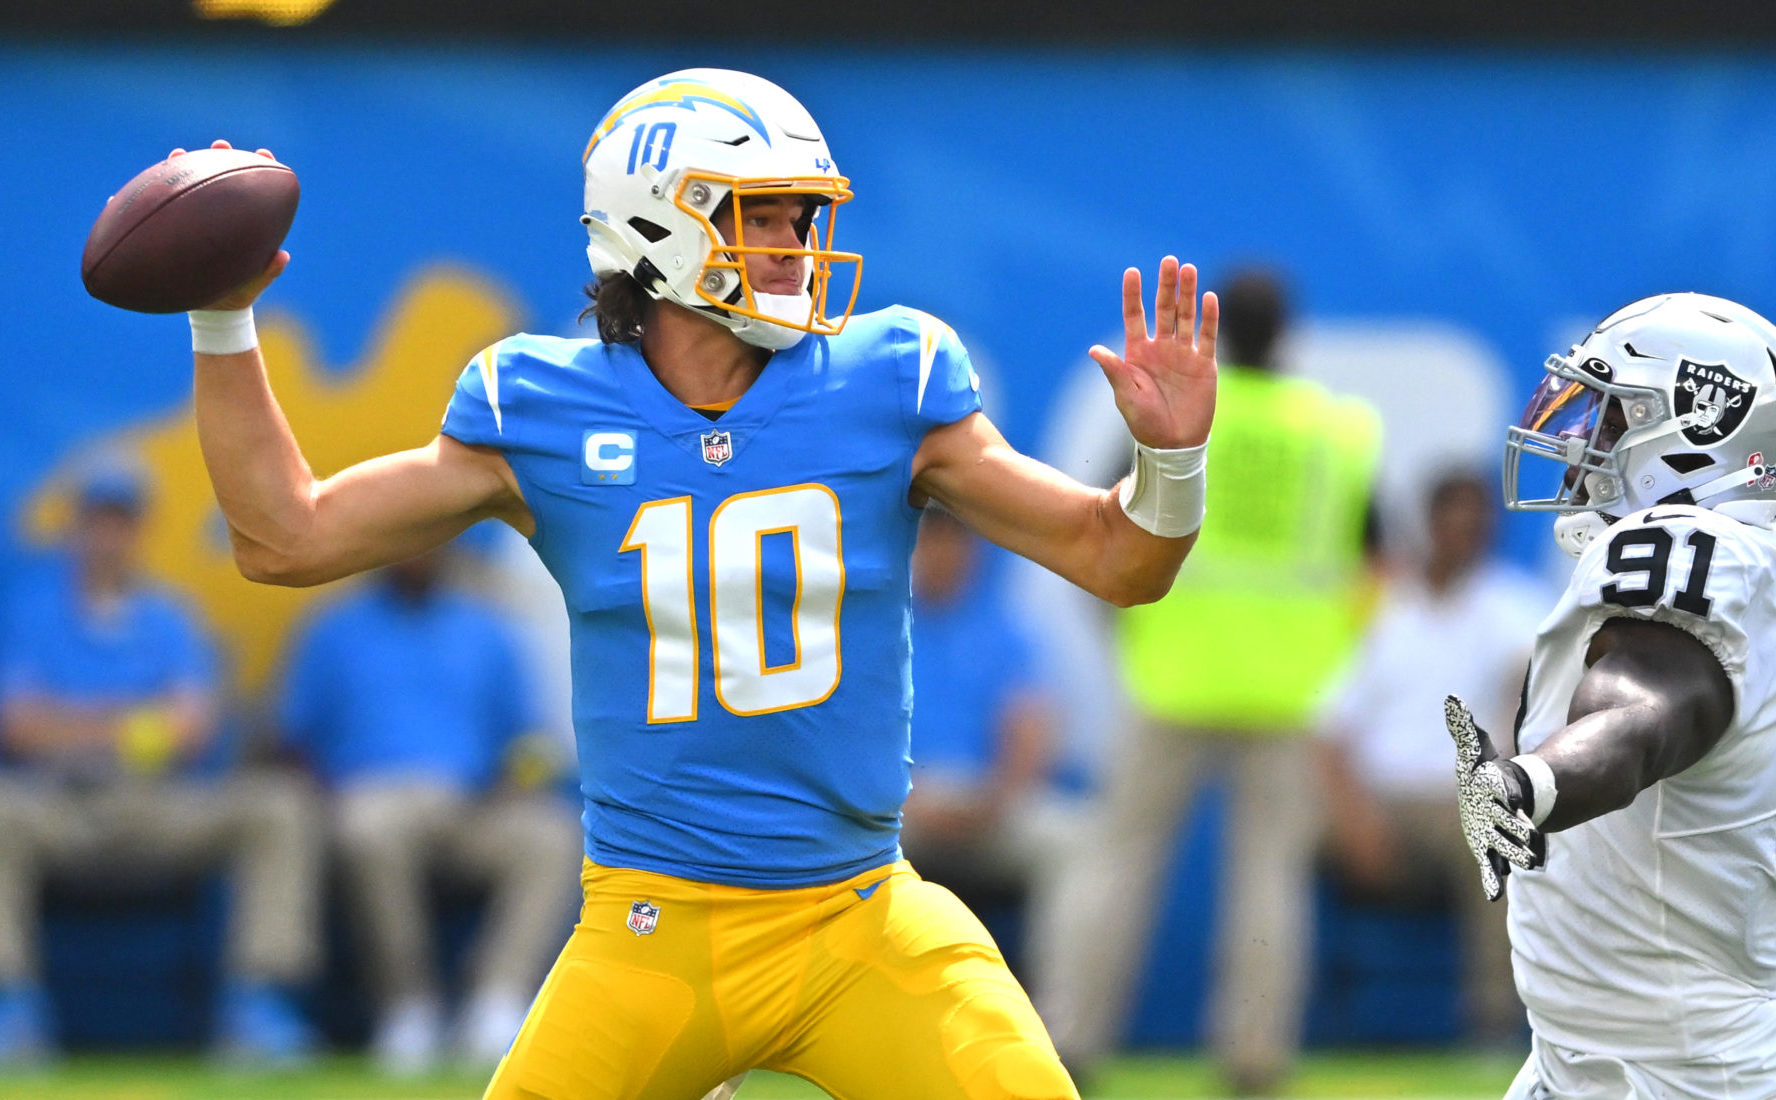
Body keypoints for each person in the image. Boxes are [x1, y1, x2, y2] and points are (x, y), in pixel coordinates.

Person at [177, 66, 1216, 1100]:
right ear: (652, 227)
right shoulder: (536, 404)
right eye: (761, 216)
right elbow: (286, 539)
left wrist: (1168, 462)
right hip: (649, 930)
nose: (795, 248)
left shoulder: (886, 380)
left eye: (802, 218)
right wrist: (222, 320)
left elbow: (1115, 560)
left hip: (855, 914)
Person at [1449, 293, 1776, 1100]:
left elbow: (1639, 714)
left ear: (1703, 429)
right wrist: (1738, 995)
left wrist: (1523, 785)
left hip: (1655, 1077)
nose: (1584, 440)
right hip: (1752, 1054)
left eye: (1614, 418)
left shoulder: (1688, 561)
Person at [1042, 268, 1380, 1096]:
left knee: (1116, 860)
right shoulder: (1333, 432)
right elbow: (1376, 567)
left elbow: (1113, 530)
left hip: (1171, 673)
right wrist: (1333, 648)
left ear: (1225, 332)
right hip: (1288, 685)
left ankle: (1072, 1043)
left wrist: (1125, 631)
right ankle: (1255, 1057)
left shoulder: (1186, 413)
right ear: (1289, 332)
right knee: (1271, 877)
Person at [0, 460, 322, 1066]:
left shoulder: (169, 616)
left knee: (276, 806)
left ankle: (257, 1007)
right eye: (97, 520)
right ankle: (11, 1012)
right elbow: (19, 728)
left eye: (120, 521)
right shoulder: (33, 612)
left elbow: (194, 729)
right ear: (76, 528)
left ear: (140, 529)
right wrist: (136, 723)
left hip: (157, 807)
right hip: (61, 809)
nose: (107, 535)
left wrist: (75, 723)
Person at [278, 547, 581, 1074]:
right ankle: (407, 1008)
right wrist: (324, 792)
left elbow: (530, 742)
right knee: (367, 830)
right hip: (373, 797)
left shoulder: (489, 629)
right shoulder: (335, 628)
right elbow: (291, 739)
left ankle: (496, 1002)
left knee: (552, 835)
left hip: (470, 804)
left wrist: (514, 782)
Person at [1318, 469, 1550, 1046]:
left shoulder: (1516, 607)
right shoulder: (1383, 609)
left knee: (1494, 839)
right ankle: (1277, 1028)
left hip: (1461, 800)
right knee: (1275, 840)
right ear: (1428, 524)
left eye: (1476, 521)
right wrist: (1355, 818)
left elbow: (1527, 698)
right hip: (1376, 800)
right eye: (1452, 518)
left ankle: (1491, 1028)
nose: (1464, 533)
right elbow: (1329, 729)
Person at [902, 506, 1064, 961]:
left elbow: (1030, 727)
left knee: (1072, 847)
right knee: (844, 845)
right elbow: (850, 741)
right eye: (932, 541)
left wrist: (999, 799)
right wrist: (906, 802)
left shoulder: (1005, 630)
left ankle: (1059, 1022)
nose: (945, 554)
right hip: (898, 805)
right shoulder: (879, 627)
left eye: (956, 541)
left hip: (987, 801)